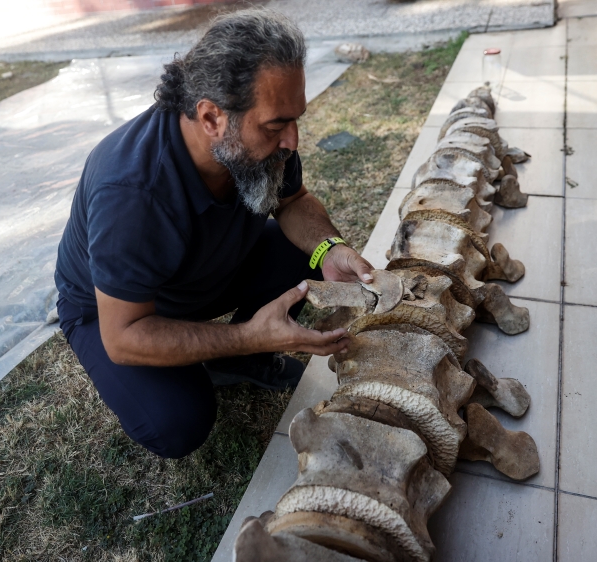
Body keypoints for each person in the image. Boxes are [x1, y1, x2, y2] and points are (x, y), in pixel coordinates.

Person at [53, 8, 374, 459]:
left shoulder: (264, 144)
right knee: (177, 423)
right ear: (210, 119)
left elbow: (294, 202)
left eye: (295, 118)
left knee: (306, 254)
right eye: (276, 124)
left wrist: (330, 248)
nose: (292, 140)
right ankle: (237, 349)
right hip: (119, 311)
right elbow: (124, 336)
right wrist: (252, 334)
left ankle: (236, 360)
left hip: (200, 273)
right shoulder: (132, 190)